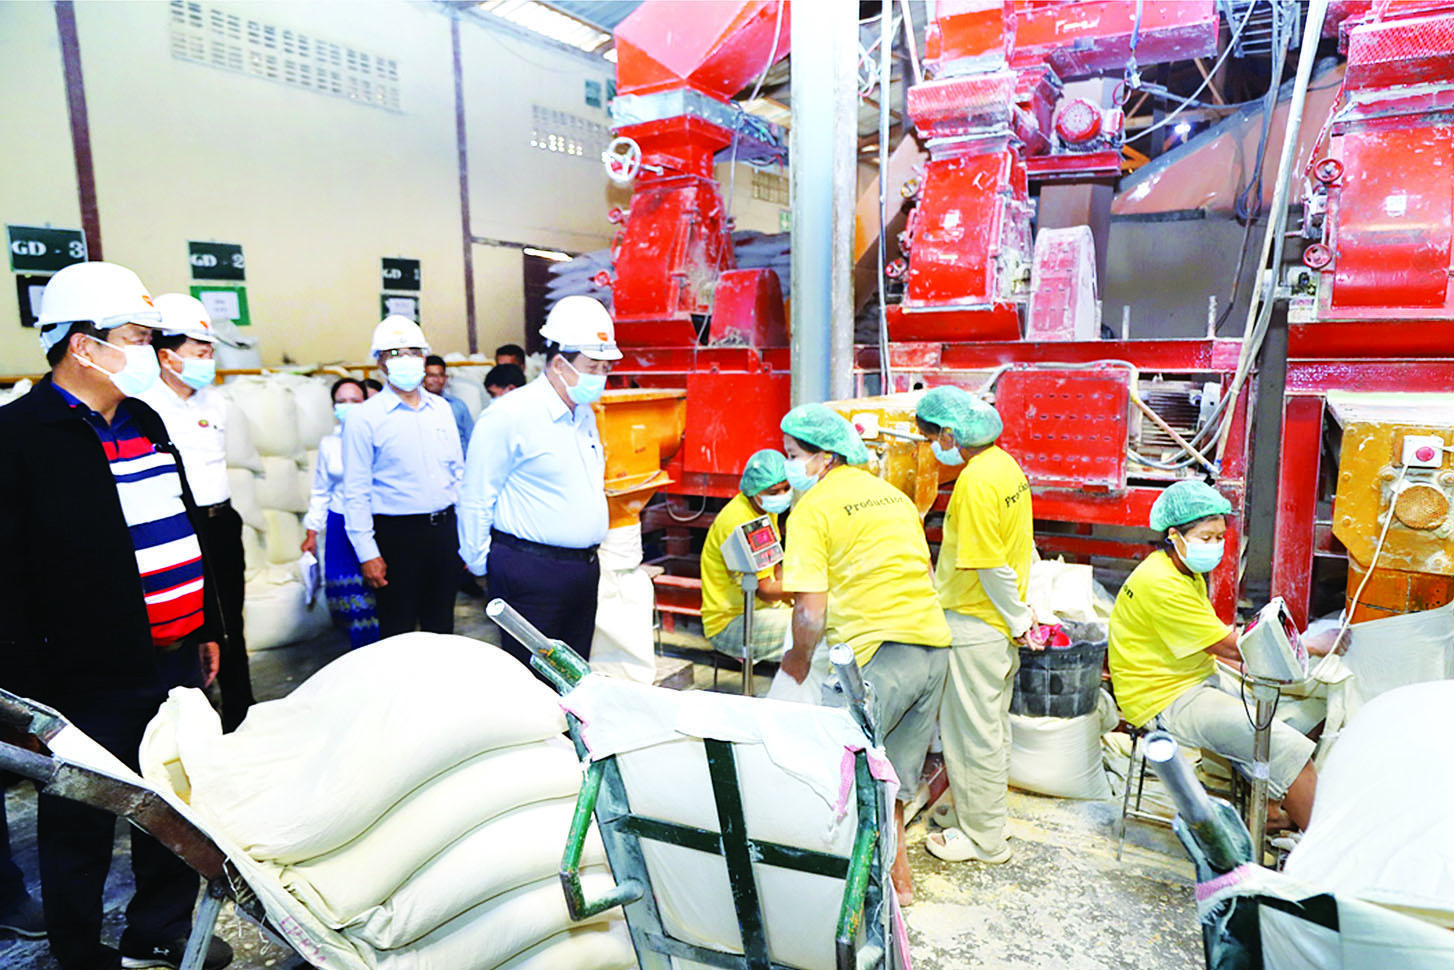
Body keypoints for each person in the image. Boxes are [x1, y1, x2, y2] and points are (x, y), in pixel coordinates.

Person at [0, 261, 231, 969]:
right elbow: (6, 579)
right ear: (82, 344)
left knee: (173, 800)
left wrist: (207, 623)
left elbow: (181, 524)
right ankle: (78, 951)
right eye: (136, 336)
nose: (149, 351)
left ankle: (157, 929)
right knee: (81, 820)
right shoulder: (19, 436)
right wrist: (23, 699)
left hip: (173, 655)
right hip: (83, 675)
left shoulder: (145, 418)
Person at [775, 403, 951, 905]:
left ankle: (840, 900)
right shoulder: (893, 496)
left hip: (877, 658)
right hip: (931, 650)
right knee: (894, 782)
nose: (790, 465)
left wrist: (798, 661)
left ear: (826, 458)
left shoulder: (813, 508)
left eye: (794, 455)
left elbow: (810, 610)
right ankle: (900, 883)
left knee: (844, 780)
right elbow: (922, 572)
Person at [1109, 480, 1320, 830]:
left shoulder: (1179, 569)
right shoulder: (1162, 584)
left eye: (1220, 537)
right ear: (1174, 536)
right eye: (1206, 537)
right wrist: (1312, 644)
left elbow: (1213, 642)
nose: (1215, 545)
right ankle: (1325, 850)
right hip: (1164, 699)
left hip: (1189, 676)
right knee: (1291, 751)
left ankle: (1269, 809)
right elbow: (1232, 646)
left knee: (1294, 713)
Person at [914, 387, 1040, 865]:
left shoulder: (973, 483)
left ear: (950, 434)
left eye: (933, 439)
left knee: (972, 737)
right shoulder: (1005, 467)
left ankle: (985, 841)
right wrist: (1020, 613)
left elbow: (988, 565)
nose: (935, 448)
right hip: (996, 625)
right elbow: (1017, 548)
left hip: (975, 623)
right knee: (991, 731)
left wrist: (1018, 618)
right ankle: (983, 816)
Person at [459, 296, 616, 673]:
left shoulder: (584, 414)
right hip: (530, 571)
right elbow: (476, 495)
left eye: (605, 367)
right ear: (559, 364)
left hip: (582, 569)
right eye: (592, 367)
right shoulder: (509, 416)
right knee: (529, 681)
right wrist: (482, 565)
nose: (601, 376)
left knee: (574, 677)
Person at [139, 294, 254, 733]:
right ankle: (192, 723)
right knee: (188, 630)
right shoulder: (144, 405)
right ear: (166, 355)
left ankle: (241, 713)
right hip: (179, 530)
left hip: (221, 523)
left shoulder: (214, 402)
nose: (208, 360)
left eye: (210, 351)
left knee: (231, 624)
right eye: (199, 351)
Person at [342, 316, 464, 639]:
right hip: (397, 537)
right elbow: (356, 492)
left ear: (424, 357)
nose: (406, 360)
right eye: (395, 354)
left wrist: (465, 537)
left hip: (444, 532)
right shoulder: (363, 418)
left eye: (413, 352)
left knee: (442, 628)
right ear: (380, 362)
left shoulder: (442, 409)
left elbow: (458, 474)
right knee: (398, 631)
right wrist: (368, 552)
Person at [302, 378, 380, 649]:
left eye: (355, 401)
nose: (348, 406)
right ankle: (359, 651)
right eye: (341, 402)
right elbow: (321, 489)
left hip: (374, 523)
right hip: (340, 524)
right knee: (349, 597)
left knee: (377, 589)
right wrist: (312, 531)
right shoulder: (329, 444)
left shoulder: (379, 438)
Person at [699, 449, 794, 664]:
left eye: (786, 488)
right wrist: (810, 586)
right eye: (774, 492)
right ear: (754, 490)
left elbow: (774, 566)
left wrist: (794, 598)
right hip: (732, 622)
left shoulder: (764, 508)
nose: (782, 496)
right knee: (813, 629)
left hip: (763, 610)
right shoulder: (741, 521)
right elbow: (765, 591)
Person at [423, 354, 473, 454]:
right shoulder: (415, 407)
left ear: (445, 378)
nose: (436, 380)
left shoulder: (458, 405)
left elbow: (471, 438)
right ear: (422, 378)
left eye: (440, 375)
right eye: (431, 375)